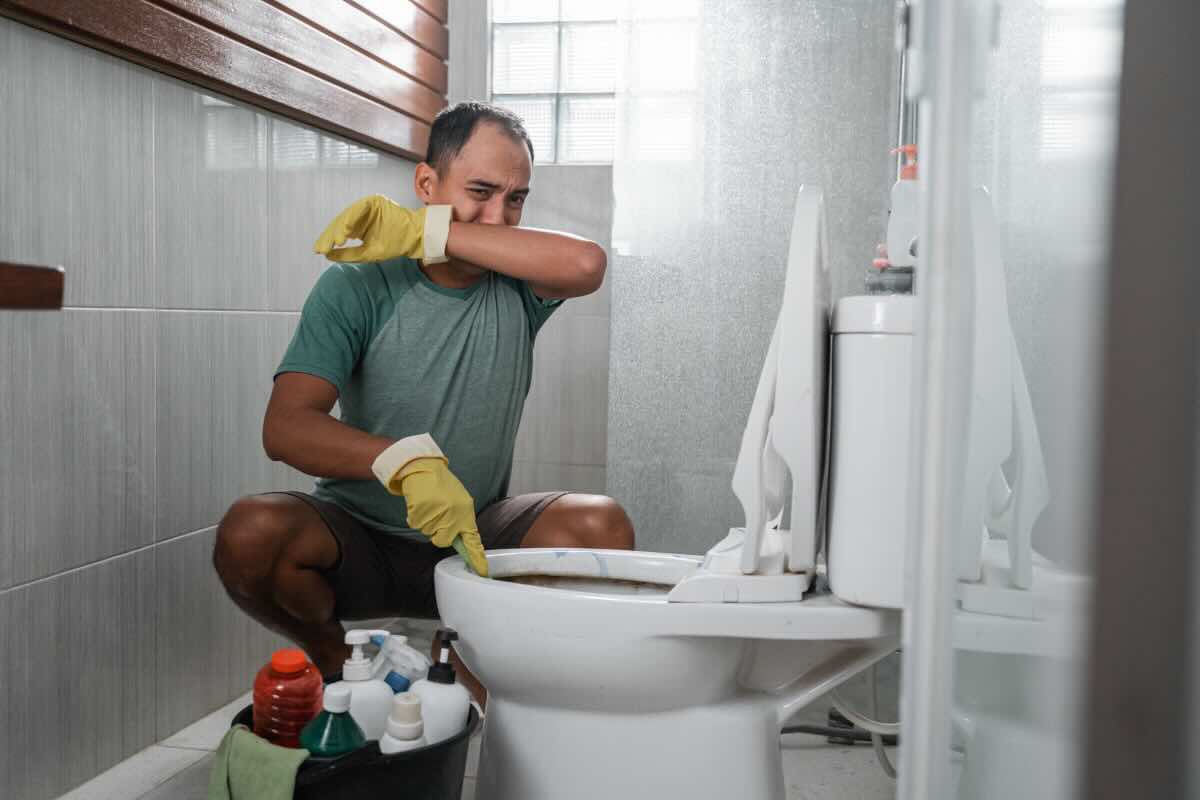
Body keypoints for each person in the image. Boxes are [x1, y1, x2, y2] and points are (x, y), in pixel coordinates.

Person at [212, 103, 635, 698]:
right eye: (480, 192)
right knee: (251, 532)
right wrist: (403, 463)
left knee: (601, 526)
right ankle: (344, 664)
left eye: (515, 199)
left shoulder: (517, 284)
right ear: (426, 184)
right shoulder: (359, 284)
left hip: (474, 535)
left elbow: (587, 263)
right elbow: (285, 427)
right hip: (360, 537)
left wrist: (427, 229)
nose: (497, 217)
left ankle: (478, 662)